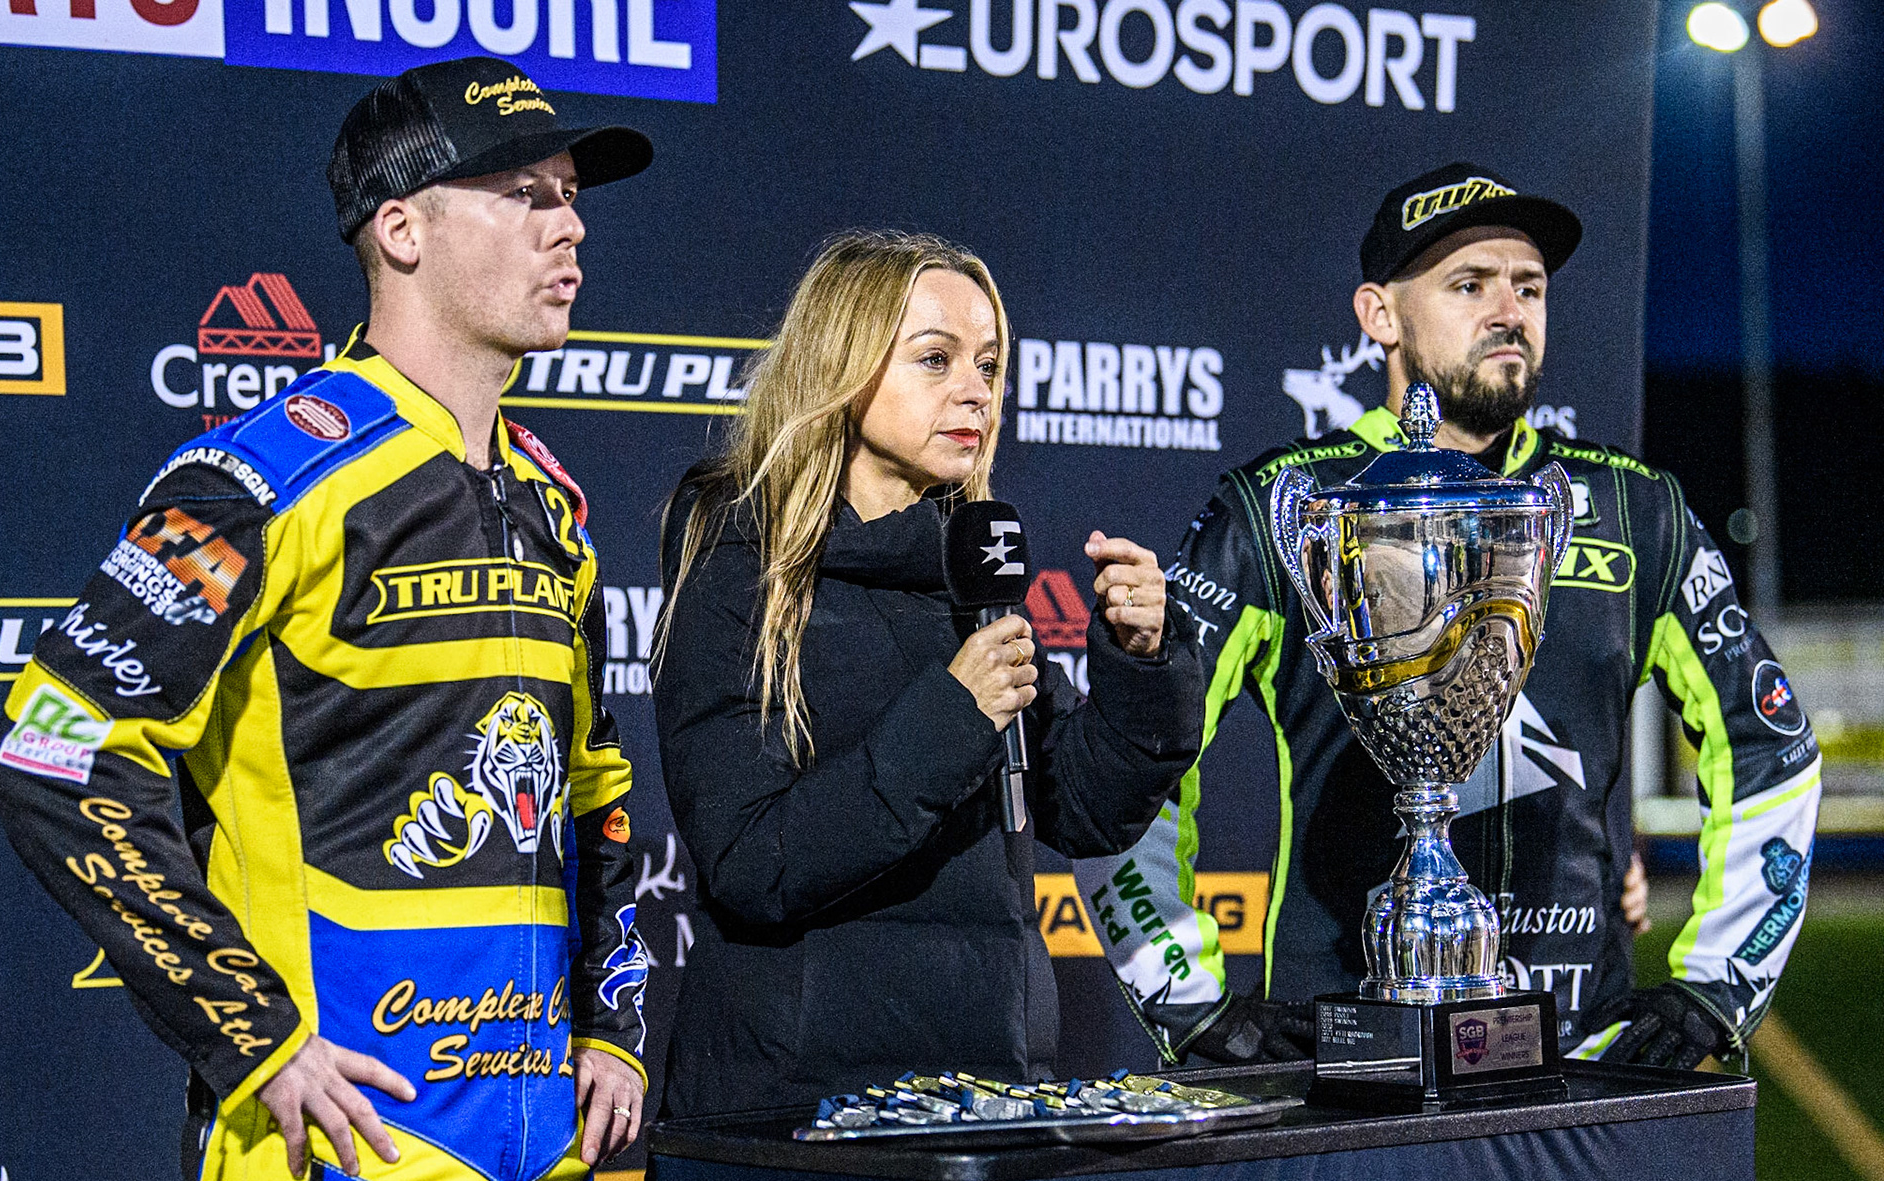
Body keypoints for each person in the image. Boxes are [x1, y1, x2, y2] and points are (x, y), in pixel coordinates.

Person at [0, 57, 654, 1181]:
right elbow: (55, 752)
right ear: (400, 228)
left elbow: (595, 784)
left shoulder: (555, 507)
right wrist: (253, 1034)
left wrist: (612, 1022)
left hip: (540, 1175)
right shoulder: (263, 478)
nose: (569, 224)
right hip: (335, 1164)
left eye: (570, 193)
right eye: (522, 192)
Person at [1074, 163, 1821, 1072]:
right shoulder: (1288, 508)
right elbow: (1126, 761)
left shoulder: (1635, 508)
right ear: (1379, 315)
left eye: (1529, 286)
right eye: (1470, 284)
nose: (1509, 309)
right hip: (1346, 1058)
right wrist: (1187, 1001)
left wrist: (1718, 984)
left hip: (1580, 1053)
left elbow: (1771, 746)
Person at [649, 231, 1204, 1119]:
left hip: (982, 1089)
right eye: (936, 359)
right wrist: (953, 714)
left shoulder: (972, 564)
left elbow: (1086, 810)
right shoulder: (739, 558)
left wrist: (1143, 663)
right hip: (800, 1104)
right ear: (844, 365)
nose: (976, 390)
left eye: (987, 364)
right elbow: (751, 861)